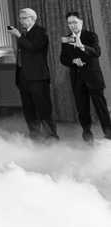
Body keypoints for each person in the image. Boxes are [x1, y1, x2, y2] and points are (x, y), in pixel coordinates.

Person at [60, 11, 111, 144]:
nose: (72, 25)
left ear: (81, 22)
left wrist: (82, 46)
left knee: (101, 108)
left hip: (93, 78)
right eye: (69, 23)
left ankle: (109, 135)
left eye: (74, 22)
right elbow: (63, 58)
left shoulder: (91, 36)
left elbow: (97, 52)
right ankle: (87, 135)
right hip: (77, 79)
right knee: (82, 109)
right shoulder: (66, 39)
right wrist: (73, 60)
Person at [9, 7, 58, 140]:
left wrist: (19, 35)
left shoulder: (41, 32)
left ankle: (51, 136)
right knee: (28, 109)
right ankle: (35, 136)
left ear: (32, 18)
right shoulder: (24, 34)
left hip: (38, 77)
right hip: (23, 76)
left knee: (43, 108)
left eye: (23, 18)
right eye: (20, 19)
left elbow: (33, 47)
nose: (21, 21)